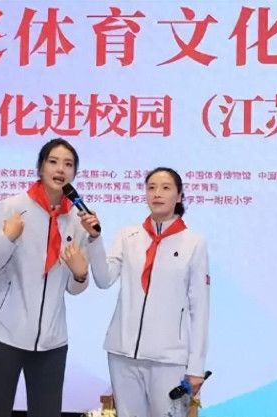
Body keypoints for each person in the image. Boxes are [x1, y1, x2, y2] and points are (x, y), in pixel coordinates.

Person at [0, 138, 98, 417]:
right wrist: (7, 239)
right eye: (53, 162)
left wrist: (81, 275)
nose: (60, 169)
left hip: (52, 342)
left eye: (68, 164)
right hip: (3, 334)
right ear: (40, 167)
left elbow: (73, 287)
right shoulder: (13, 207)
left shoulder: (78, 219)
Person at [85, 167, 210, 417]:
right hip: (122, 353)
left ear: (179, 196)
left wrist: (196, 367)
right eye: (151, 187)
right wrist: (95, 239)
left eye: (165, 188)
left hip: (169, 359)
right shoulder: (129, 235)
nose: (157, 193)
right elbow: (103, 279)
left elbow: (200, 308)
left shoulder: (193, 242)